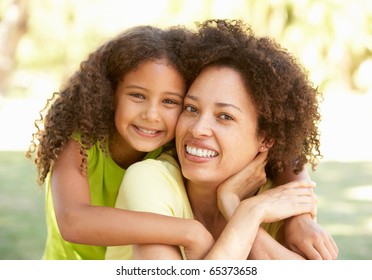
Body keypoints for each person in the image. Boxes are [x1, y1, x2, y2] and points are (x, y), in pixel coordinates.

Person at [105, 19, 338, 260]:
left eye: (225, 116)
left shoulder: (278, 199)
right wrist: (248, 213)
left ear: (266, 138)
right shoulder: (149, 180)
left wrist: (233, 205)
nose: (198, 129)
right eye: (191, 108)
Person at [26, 24, 216, 259]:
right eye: (137, 95)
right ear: (110, 93)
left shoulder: (174, 153)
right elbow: (73, 221)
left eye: (169, 102)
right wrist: (189, 232)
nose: (151, 115)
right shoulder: (79, 141)